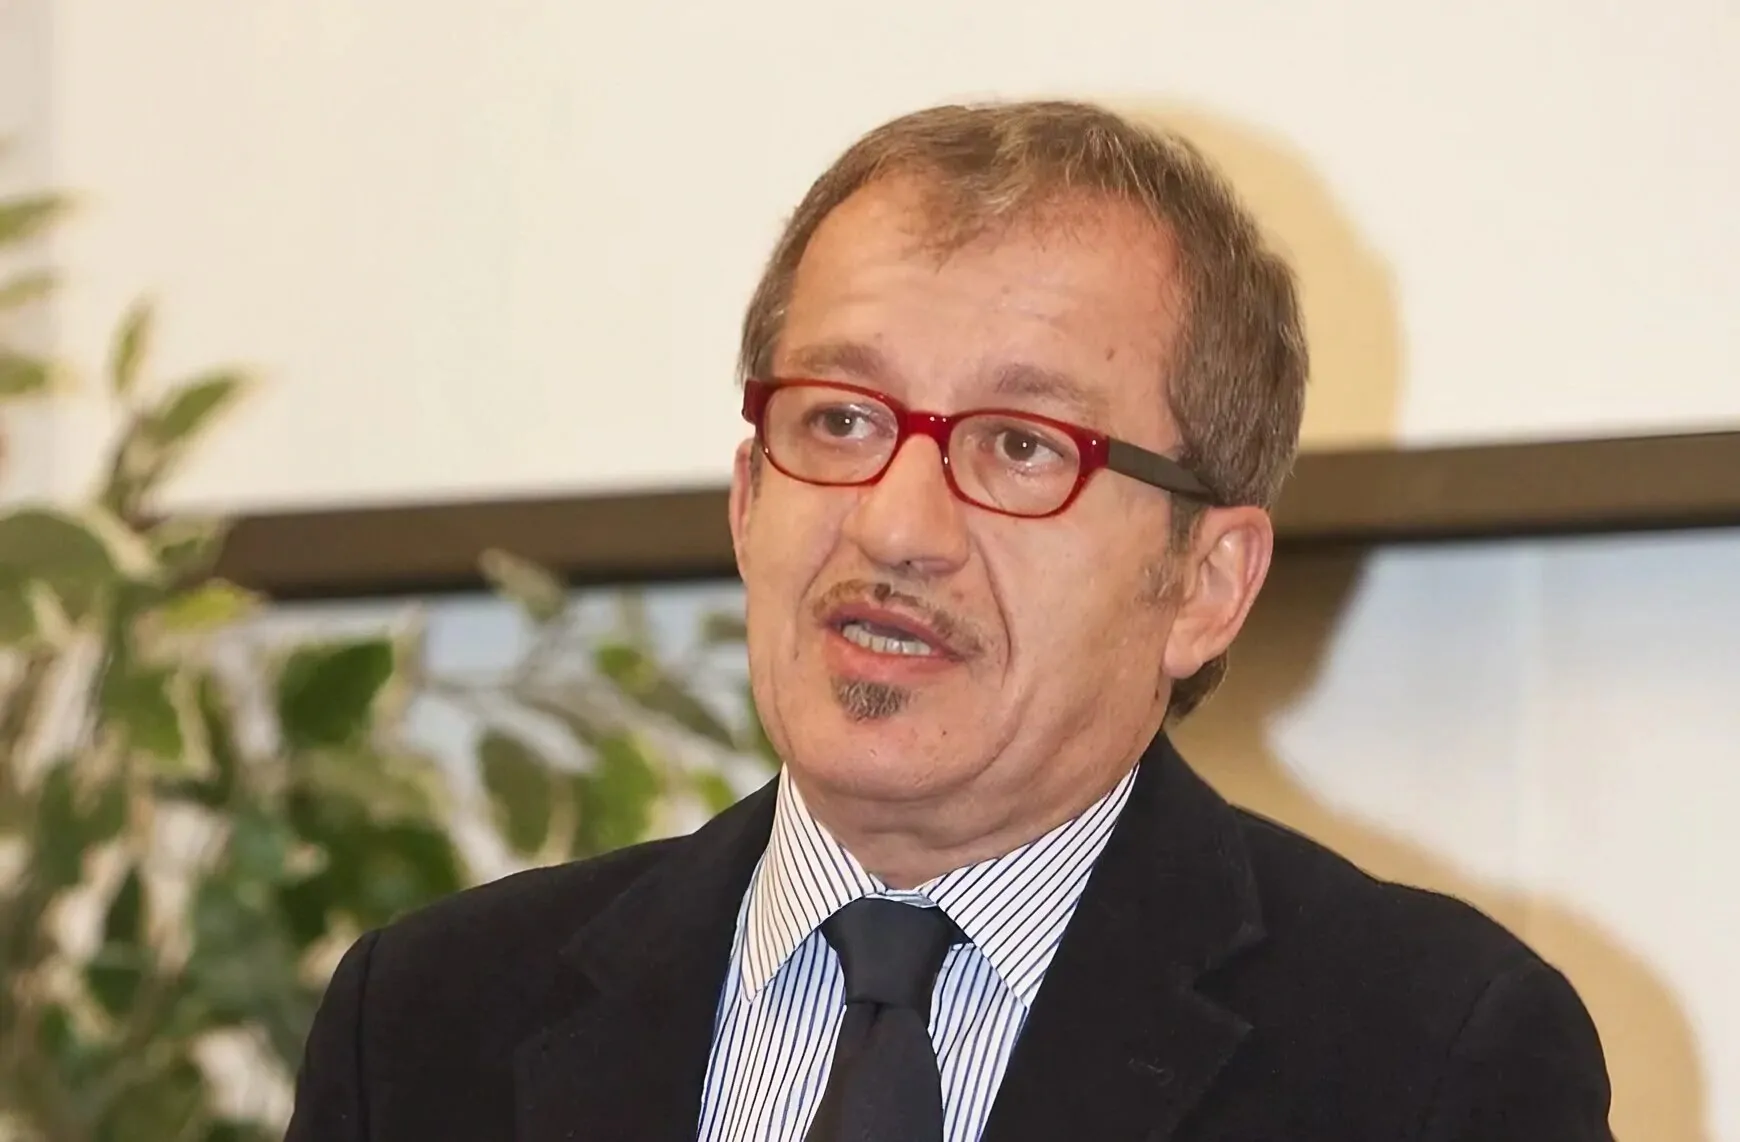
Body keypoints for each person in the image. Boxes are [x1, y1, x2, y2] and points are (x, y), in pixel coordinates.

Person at [285, 100, 1613, 1141]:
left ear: (1205, 582)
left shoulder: (1428, 1059)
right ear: (748, 501)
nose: (895, 525)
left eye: (1022, 446)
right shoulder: (429, 1023)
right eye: (840, 421)